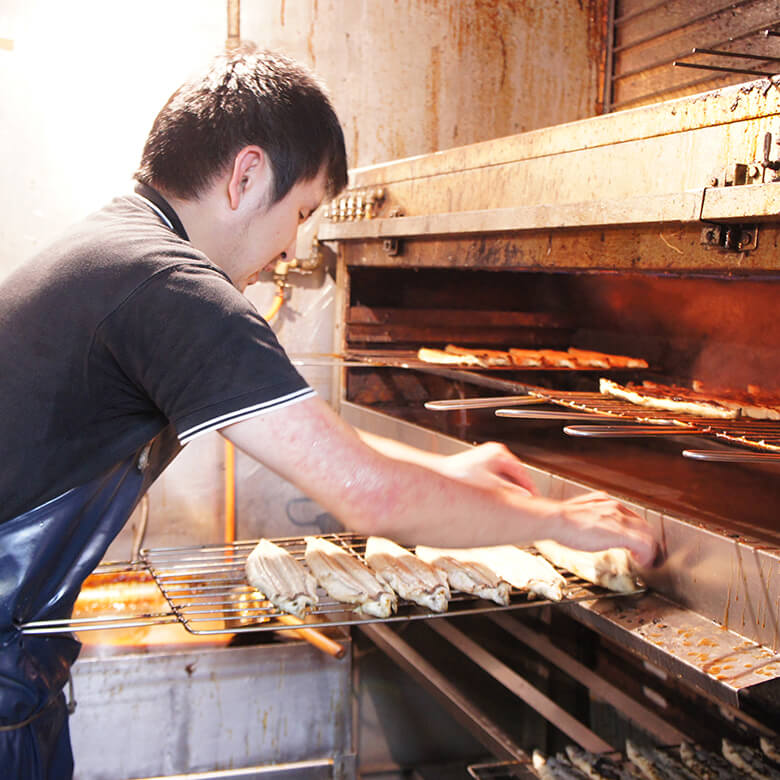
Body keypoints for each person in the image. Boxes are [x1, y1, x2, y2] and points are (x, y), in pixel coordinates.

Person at [0, 47, 657, 778]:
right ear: (246, 176)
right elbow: (363, 493)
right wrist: (564, 524)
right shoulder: (169, 286)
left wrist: (447, 470)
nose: (290, 250)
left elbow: (319, 443)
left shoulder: (119, 248)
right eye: (302, 212)